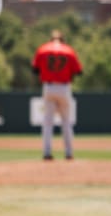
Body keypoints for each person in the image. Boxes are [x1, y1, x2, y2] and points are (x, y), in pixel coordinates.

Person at [32, 29, 83, 161]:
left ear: (51, 39)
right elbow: (79, 71)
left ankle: (47, 153)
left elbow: (35, 69)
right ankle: (68, 153)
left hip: (48, 87)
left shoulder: (43, 49)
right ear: (62, 39)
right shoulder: (68, 50)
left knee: (48, 122)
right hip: (64, 87)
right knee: (66, 121)